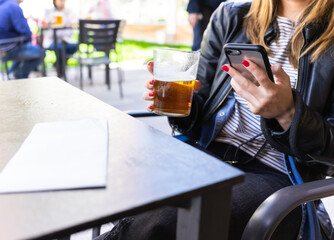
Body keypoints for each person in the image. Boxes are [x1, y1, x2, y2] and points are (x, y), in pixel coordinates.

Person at [97, 0, 334, 239]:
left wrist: (288, 114)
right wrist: (183, 106)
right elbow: (201, 103)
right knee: (115, 181)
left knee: (164, 219)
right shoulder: (232, 15)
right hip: (206, 155)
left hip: (279, 177)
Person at [0, 0, 45, 79]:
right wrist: (29, 38)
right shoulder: (13, 6)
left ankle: (11, 74)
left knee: (24, 46)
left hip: (3, 48)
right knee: (41, 53)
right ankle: (17, 75)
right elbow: (24, 29)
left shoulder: (3, 5)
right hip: (10, 48)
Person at [43, 0, 77, 77]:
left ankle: (60, 65)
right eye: (60, 0)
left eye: (64, 1)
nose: (62, 2)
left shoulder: (68, 12)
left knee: (74, 46)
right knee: (59, 48)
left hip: (65, 40)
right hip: (52, 40)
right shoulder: (49, 12)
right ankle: (60, 69)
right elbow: (44, 27)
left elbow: (69, 30)